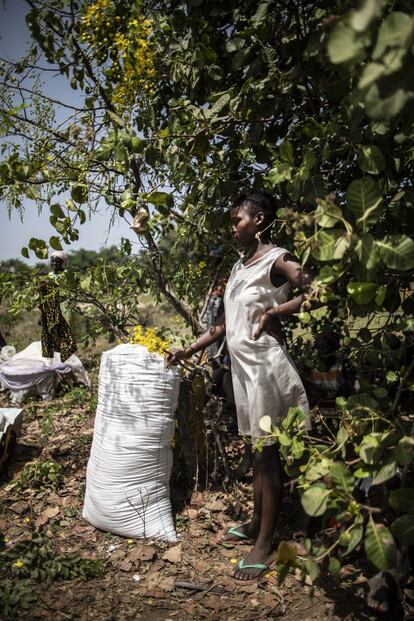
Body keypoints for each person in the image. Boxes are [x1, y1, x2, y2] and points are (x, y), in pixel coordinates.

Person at [167, 189, 319, 584]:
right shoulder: (239, 266)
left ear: (260, 222)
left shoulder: (276, 259)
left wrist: (275, 311)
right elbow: (224, 326)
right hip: (243, 372)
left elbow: (316, 291)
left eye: (239, 220)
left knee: (268, 456)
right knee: (257, 452)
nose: (233, 226)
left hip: (267, 370)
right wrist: (189, 349)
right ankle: (255, 524)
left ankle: (265, 544)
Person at [39, 250, 76, 362]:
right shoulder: (48, 276)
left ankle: (67, 354)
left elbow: (71, 289)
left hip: (64, 306)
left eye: (57, 262)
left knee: (65, 330)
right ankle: (57, 353)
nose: (54, 264)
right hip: (51, 308)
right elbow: (44, 295)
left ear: (62, 263)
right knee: (52, 330)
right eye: (53, 262)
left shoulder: (66, 275)